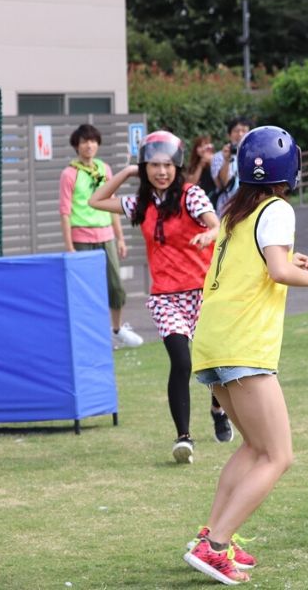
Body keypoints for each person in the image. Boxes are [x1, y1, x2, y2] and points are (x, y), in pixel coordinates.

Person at [183, 126, 308, 585]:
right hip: (244, 344)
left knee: (254, 447)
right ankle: (214, 548)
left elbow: (257, 265)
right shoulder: (278, 209)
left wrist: (296, 262)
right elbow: (276, 269)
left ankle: (212, 536)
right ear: (288, 169)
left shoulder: (236, 211)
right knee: (278, 455)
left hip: (213, 340)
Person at [88, 130, 235, 463]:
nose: (161, 172)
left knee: (213, 364)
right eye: (153, 165)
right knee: (182, 362)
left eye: (167, 165)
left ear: (177, 165)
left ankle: (217, 408)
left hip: (203, 292)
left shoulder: (190, 195)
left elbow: (217, 225)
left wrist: (208, 234)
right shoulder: (140, 202)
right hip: (165, 297)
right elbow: (95, 202)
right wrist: (126, 173)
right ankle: (184, 438)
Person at [59, 124, 143, 350]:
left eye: (93, 141)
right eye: (85, 141)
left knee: (115, 287)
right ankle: (90, 337)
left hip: (106, 236)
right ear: (77, 145)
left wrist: (121, 238)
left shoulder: (103, 169)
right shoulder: (69, 173)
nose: (89, 145)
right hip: (81, 238)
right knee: (86, 290)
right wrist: (69, 245)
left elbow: (112, 204)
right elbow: (65, 212)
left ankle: (116, 330)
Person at [209, 117, 252, 214]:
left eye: (244, 131)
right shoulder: (218, 157)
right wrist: (226, 160)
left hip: (249, 206)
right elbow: (222, 185)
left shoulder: (255, 155)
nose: (240, 134)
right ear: (229, 135)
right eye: (236, 131)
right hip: (227, 208)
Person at [186, 135, 218, 200]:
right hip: (197, 199)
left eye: (206, 145)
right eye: (200, 146)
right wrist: (200, 166)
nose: (203, 149)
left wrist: (211, 162)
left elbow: (220, 183)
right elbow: (190, 185)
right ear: (196, 150)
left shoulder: (216, 161)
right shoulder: (193, 164)